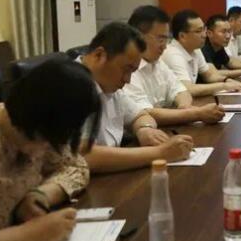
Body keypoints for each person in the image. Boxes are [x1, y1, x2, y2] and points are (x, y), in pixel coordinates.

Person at [0, 59, 99, 241]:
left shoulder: (37, 132)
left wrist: (42, 194)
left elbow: (76, 165)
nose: (42, 154)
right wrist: (29, 236)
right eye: (44, 142)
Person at [78, 22, 194, 173]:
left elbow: (140, 115)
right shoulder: (69, 84)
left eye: (132, 72)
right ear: (99, 55)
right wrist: (160, 153)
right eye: (126, 70)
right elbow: (83, 156)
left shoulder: (107, 84)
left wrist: (144, 130)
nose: (128, 80)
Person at [125, 6, 225, 126]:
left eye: (166, 39)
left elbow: (181, 90)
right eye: (160, 39)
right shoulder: (127, 68)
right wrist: (196, 114)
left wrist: (185, 107)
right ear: (139, 37)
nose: (165, 46)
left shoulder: (157, 63)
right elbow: (144, 113)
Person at [161, 10, 241, 97]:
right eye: (199, 31)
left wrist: (227, 80)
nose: (204, 35)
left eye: (204, 29)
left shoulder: (195, 49)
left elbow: (209, 75)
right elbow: (188, 89)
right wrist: (224, 86)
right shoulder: (173, 55)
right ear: (182, 36)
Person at [201, 14, 241, 79]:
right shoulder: (203, 48)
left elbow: (229, 62)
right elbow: (213, 73)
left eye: (229, 31)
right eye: (223, 32)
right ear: (209, 33)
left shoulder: (218, 46)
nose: (228, 36)